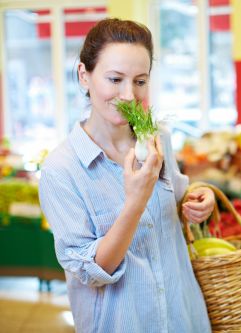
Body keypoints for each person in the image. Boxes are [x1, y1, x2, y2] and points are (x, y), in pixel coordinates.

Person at [39, 18, 214, 333]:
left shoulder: (158, 139)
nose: (129, 95)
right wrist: (135, 200)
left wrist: (200, 198)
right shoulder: (61, 170)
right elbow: (92, 271)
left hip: (184, 317)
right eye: (115, 79)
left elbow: (178, 202)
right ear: (84, 75)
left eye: (140, 81)